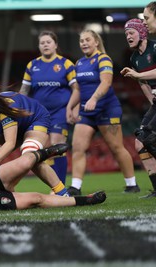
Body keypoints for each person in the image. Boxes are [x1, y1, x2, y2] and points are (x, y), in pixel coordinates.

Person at [0, 78, 69, 197]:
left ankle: (63, 193)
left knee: (30, 158)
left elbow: (10, 143)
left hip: (35, 119)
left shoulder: (5, 109)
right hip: (13, 126)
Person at [66, 29, 139, 196]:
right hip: (87, 113)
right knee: (78, 147)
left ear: (96, 42)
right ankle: (75, 187)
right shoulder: (79, 63)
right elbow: (78, 89)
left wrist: (93, 99)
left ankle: (132, 184)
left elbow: (106, 82)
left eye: (87, 40)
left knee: (116, 148)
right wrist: (70, 107)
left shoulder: (103, 59)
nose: (83, 43)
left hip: (107, 110)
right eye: (81, 41)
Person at [20, 30, 79, 185]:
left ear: (55, 45)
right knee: (45, 150)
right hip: (39, 114)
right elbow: (24, 91)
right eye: (42, 43)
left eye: (48, 42)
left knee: (56, 145)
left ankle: (60, 187)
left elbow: (76, 89)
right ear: (39, 46)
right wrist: (19, 109)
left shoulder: (66, 64)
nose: (45, 45)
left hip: (60, 112)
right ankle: (56, 186)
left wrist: (72, 108)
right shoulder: (32, 65)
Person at [119, 19, 156, 198]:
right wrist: (152, 103)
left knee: (149, 138)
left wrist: (138, 74)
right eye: (126, 34)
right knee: (140, 142)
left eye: (131, 32)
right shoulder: (134, 58)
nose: (128, 36)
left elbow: (141, 76)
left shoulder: (155, 47)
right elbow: (143, 83)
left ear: (141, 32)